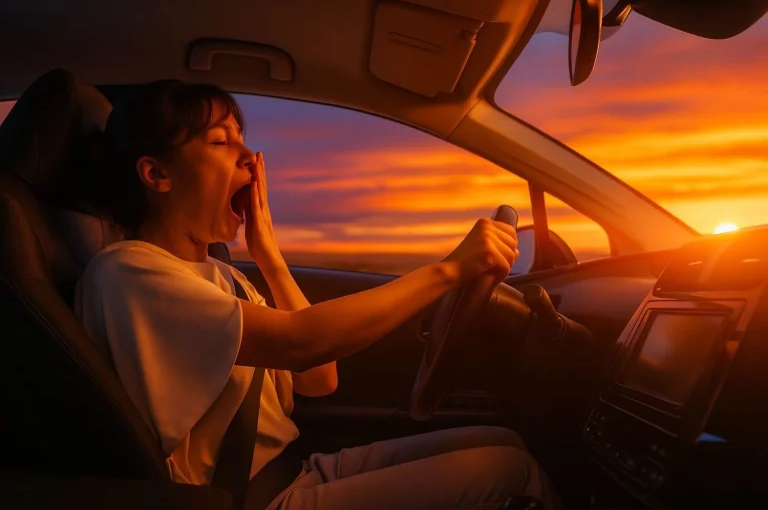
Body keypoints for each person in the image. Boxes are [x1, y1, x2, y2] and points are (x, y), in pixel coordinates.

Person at [75, 80, 561, 509]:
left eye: (242, 140)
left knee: (503, 441)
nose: (249, 157)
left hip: (291, 473)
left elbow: (319, 378)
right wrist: (448, 271)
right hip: (245, 499)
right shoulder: (129, 272)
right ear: (156, 175)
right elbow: (301, 343)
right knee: (511, 475)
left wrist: (267, 253)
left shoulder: (220, 276)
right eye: (220, 141)